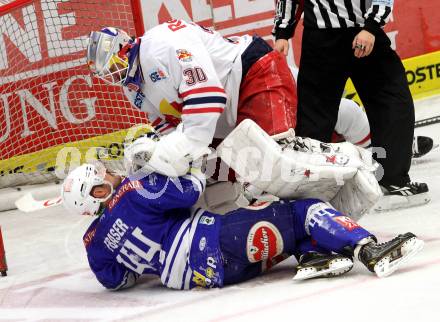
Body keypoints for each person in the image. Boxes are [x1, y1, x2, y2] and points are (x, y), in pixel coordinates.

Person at [61, 160, 423, 290]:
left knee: (285, 230)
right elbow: (191, 190)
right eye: (104, 174)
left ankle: (314, 258)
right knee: (302, 210)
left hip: (213, 276)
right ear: (97, 189)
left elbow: (117, 281)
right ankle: (369, 250)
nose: (112, 172)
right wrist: (178, 161)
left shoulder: (93, 244)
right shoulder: (134, 189)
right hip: (220, 241)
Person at [86, 21, 297, 177]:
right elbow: (166, 121)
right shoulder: (132, 89)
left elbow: (208, 97)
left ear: (124, 48)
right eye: (107, 74)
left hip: (253, 74)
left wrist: (175, 151)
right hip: (224, 110)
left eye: (114, 67)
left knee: (278, 167)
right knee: (218, 175)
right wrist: (180, 158)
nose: (113, 76)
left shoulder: (161, 46)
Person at [273, 0, 429, 208]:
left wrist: (371, 27)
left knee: (391, 102)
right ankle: (309, 194)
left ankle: (391, 181)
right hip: (321, 39)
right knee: (313, 118)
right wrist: (283, 32)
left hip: (362, 31)